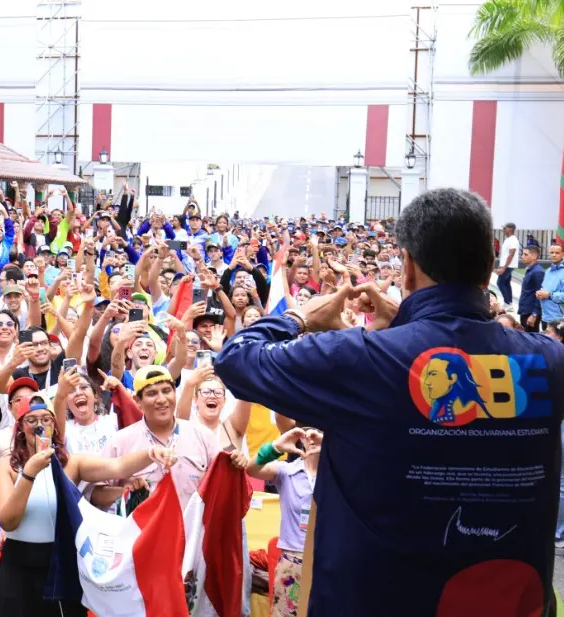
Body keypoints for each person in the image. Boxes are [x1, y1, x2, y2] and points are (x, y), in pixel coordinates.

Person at [217, 188, 564, 616]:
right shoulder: (546, 362)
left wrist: (299, 316)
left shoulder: (362, 357)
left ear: (408, 266)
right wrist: (405, 323)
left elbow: (235, 359)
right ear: (490, 267)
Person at [0, 392, 176, 617]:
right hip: (20, 569)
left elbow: (118, 467)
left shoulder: (71, 463)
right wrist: (29, 473)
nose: (40, 425)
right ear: (20, 427)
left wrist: (150, 453)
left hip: (61, 562)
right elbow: (8, 521)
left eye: (46, 419)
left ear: (54, 426)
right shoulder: (6, 467)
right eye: (32, 420)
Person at [245, 427, 320, 617]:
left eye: (320, 431)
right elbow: (251, 468)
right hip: (292, 560)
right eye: (308, 432)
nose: (313, 437)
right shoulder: (288, 472)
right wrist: (276, 447)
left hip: (325, 559)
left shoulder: (337, 475)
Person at [536, 242, 564, 328]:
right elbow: (545, 289)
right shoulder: (548, 271)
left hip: (559, 319)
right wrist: (540, 294)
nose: (554, 255)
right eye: (552, 252)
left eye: (557, 253)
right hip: (545, 317)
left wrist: (549, 295)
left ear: (563, 254)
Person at [518, 245, 544, 333]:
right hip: (525, 310)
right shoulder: (531, 270)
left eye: (525, 254)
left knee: (531, 340)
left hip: (531, 313)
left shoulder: (538, 272)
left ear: (534, 256)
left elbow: (540, 294)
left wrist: (534, 314)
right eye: (522, 254)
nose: (522, 257)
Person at [496, 221, 520, 308]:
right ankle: (509, 302)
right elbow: (505, 254)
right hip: (507, 265)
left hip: (509, 265)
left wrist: (504, 267)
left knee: (500, 283)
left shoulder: (513, 240)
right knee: (506, 283)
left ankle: (507, 303)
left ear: (510, 229)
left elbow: (511, 254)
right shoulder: (508, 239)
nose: (503, 230)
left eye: (504, 228)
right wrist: (500, 265)